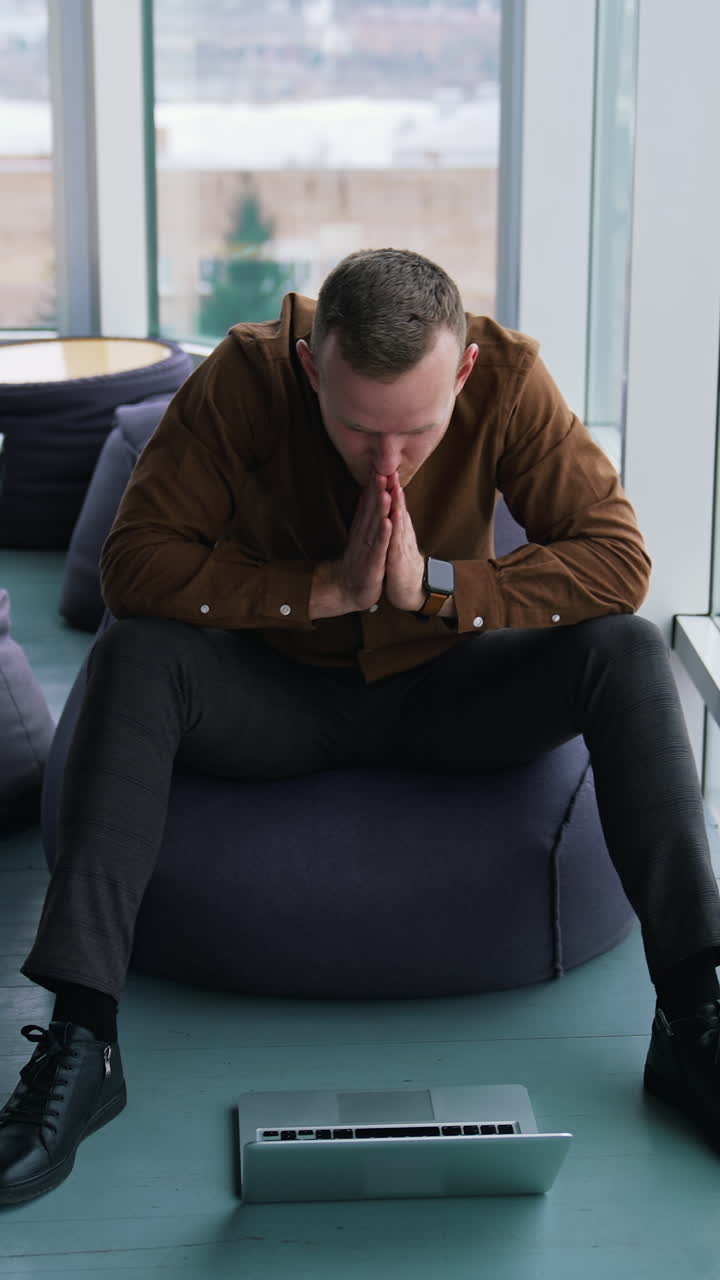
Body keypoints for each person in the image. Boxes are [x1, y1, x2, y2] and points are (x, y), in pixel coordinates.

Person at [1, 247, 720, 1207]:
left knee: (627, 650)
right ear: (312, 368)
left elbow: (615, 559)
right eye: (355, 429)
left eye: (417, 434)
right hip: (279, 696)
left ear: (461, 373)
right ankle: (84, 1043)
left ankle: (694, 1016)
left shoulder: (508, 378)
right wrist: (320, 592)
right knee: (134, 653)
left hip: (453, 691)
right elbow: (135, 565)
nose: (387, 465)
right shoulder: (245, 377)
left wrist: (440, 587)